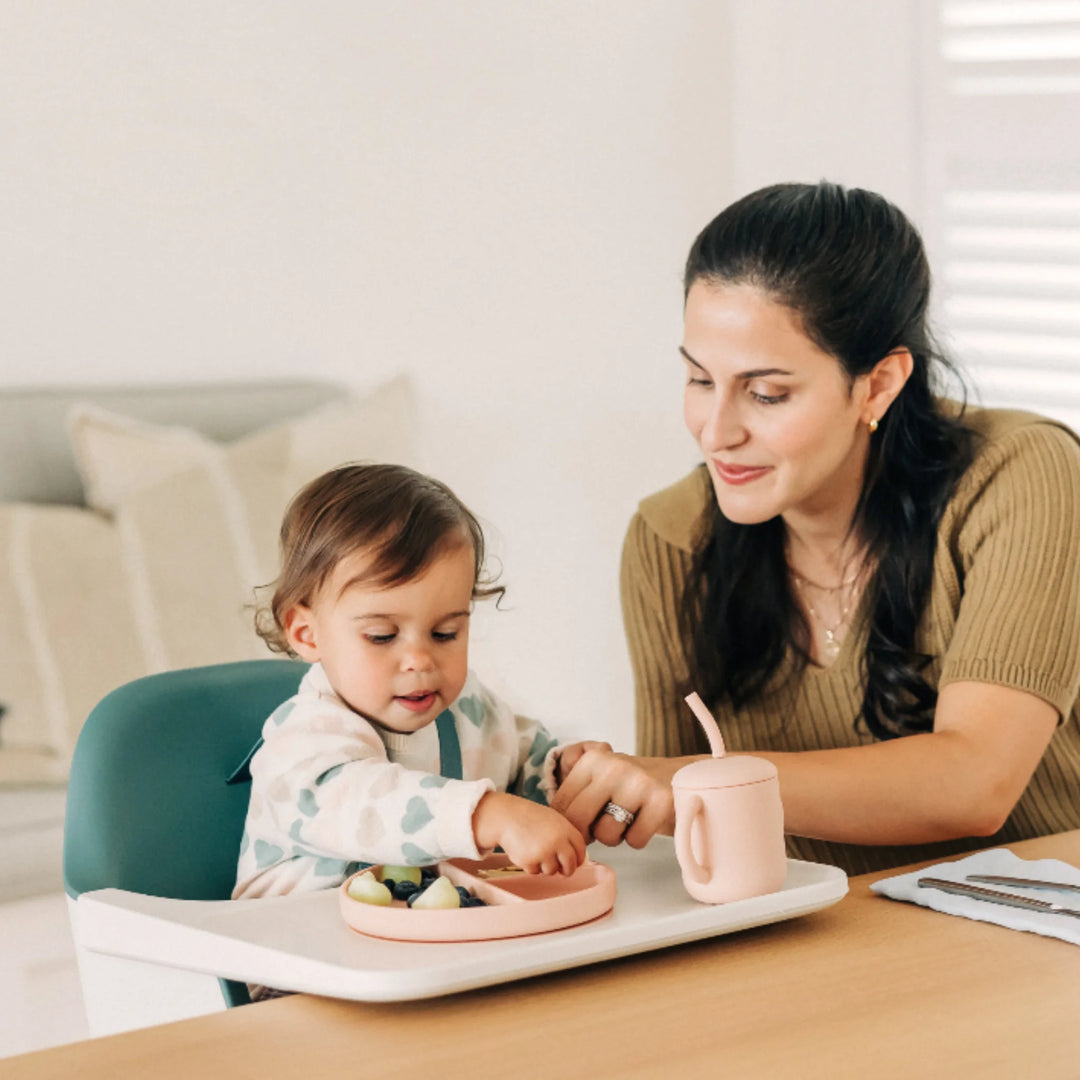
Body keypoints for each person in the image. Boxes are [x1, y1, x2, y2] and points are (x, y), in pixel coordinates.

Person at [553, 181, 1080, 876]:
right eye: (700, 380)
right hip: (810, 948)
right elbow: (679, 840)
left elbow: (974, 782)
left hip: (1034, 942)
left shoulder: (1021, 475)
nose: (717, 433)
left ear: (880, 385)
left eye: (767, 393)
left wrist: (682, 778)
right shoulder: (670, 539)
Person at [233, 463, 604, 918]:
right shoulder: (300, 742)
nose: (420, 660)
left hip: (426, 957)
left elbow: (520, 760)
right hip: (297, 964)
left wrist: (567, 778)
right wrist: (487, 814)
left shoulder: (470, 708)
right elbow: (366, 802)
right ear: (307, 633)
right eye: (383, 637)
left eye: (445, 633)